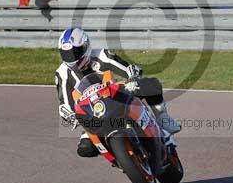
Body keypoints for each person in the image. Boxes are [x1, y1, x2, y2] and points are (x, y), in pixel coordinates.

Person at [55, 27, 181, 157]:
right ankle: (120, 160)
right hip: (93, 114)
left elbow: (129, 68)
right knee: (85, 149)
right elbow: (64, 101)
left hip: (117, 98)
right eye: (67, 54)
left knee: (151, 85)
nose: (72, 58)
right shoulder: (62, 73)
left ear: (86, 46)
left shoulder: (101, 55)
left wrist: (132, 79)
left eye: (75, 52)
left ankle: (162, 120)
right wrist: (69, 114)